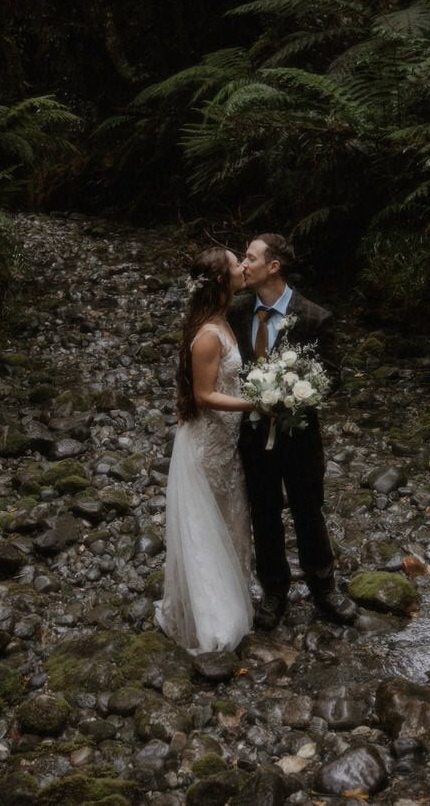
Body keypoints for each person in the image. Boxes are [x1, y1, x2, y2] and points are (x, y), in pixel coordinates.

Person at [229, 233, 358, 630]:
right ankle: (273, 591)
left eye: (250, 258)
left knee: (308, 509)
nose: (243, 264)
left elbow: (334, 377)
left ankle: (324, 588)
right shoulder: (236, 311)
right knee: (263, 511)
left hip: (300, 437)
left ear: (274, 266)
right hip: (251, 435)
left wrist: (295, 392)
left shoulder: (315, 317)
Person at [155, 246, 259, 653]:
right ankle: (209, 616)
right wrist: (258, 403)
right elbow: (203, 395)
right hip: (208, 444)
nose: (243, 268)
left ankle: (231, 592)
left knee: (229, 517)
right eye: (237, 264)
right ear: (221, 279)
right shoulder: (207, 335)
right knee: (205, 525)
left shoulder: (224, 318)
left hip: (227, 441)